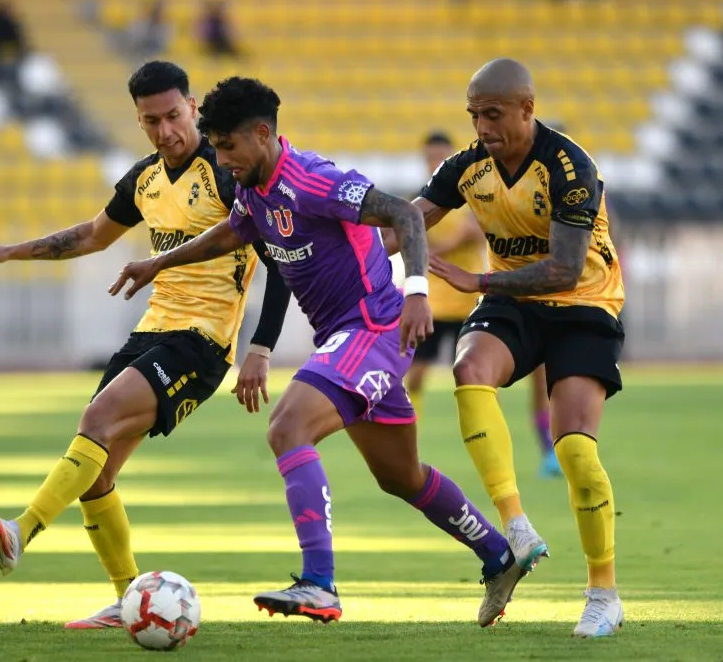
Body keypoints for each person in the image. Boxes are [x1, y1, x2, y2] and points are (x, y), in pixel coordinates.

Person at [109, 76, 525, 628]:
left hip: (372, 328)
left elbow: (404, 214)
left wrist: (417, 293)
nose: (221, 159)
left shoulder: (314, 180)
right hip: (345, 336)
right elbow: (231, 233)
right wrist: (158, 262)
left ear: (262, 134)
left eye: (228, 146)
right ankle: (500, 555)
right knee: (400, 476)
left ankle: (320, 584)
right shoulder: (253, 188)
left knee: (288, 426)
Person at [0, 61, 292, 630]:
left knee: (96, 419)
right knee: (96, 472)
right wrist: (6, 252)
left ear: (192, 109)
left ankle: (19, 532)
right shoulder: (145, 180)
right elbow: (90, 235)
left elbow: (278, 259)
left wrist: (261, 348)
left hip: (203, 342)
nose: (165, 131)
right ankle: (128, 598)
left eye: (173, 116)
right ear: (138, 121)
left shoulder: (226, 171)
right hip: (152, 331)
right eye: (151, 122)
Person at [395, 57, 625, 637]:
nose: (482, 127)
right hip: (513, 301)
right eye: (474, 115)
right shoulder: (467, 166)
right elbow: (409, 222)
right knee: (469, 368)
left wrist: (477, 281)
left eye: (493, 114)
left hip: (582, 303)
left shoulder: (570, 166)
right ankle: (516, 527)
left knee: (577, 453)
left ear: (527, 108)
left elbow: (565, 270)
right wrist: (346, 243)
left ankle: (603, 592)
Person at [407, 132, 560, 477]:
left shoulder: (474, 194)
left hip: (473, 301)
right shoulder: (421, 203)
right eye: (430, 157)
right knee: (414, 377)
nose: (435, 162)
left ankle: (545, 450)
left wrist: (437, 249)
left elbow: (478, 234)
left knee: (504, 380)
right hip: (436, 302)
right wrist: (449, 245)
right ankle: (407, 447)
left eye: (441, 156)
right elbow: (412, 242)